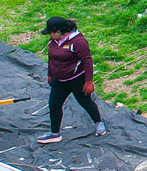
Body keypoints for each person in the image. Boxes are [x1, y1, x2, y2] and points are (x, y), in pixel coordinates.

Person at [38, 16, 104, 145]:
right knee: (54, 104)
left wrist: (89, 81)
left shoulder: (78, 42)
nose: (49, 35)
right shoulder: (53, 42)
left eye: (50, 32)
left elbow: (87, 61)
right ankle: (54, 133)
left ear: (57, 32)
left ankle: (99, 122)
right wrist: (50, 74)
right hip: (60, 81)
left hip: (76, 80)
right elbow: (51, 58)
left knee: (85, 102)